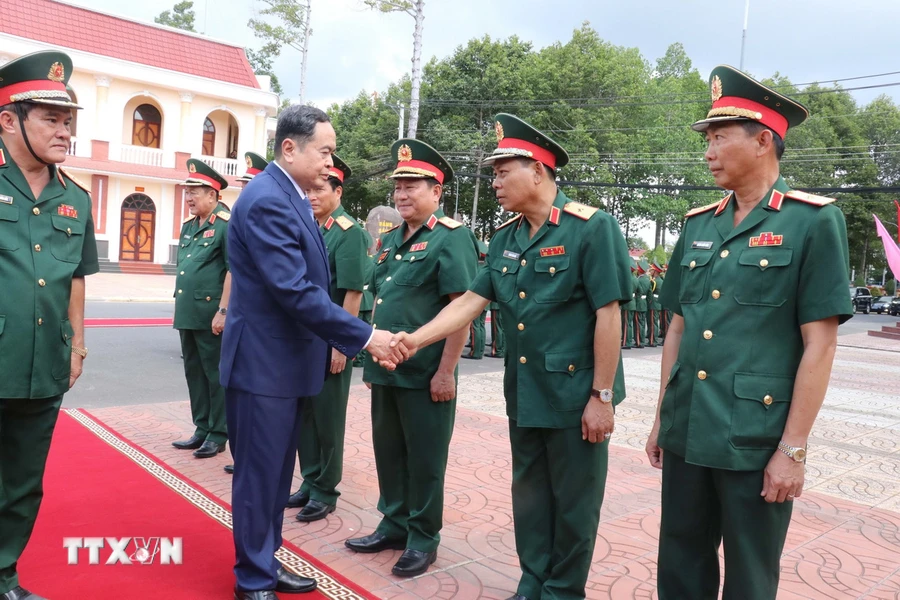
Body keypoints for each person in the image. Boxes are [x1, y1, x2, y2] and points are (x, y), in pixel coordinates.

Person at [388, 114, 632, 600]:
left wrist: (601, 396)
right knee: (530, 496)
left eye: (503, 171)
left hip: (574, 396)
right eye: (493, 173)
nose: (495, 182)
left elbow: (609, 315)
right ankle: (532, 580)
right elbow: (470, 302)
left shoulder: (592, 228)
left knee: (574, 503)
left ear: (538, 170)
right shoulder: (505, 237)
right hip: (526, 394)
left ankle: (562, 590)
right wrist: (415, 339)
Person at [644, 65, 853, 600]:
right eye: (707, 139)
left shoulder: (812, 221)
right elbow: (679, 327)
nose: (708, 151)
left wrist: (794, 449)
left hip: (756, 439)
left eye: (719, 138)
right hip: (689, 427)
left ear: (764, 141)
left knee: (750, 576)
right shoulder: (697, 224)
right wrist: (662, 417)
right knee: (681, 564)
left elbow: (820, 343)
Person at [219, 105, 403, 600]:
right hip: (263, 366)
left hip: (284, 365)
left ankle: (265, 558)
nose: (329, 161)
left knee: (277, 474)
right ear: (289, 148)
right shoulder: (268, 200)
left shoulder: (291, 196)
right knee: (260, 477)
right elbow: (295, 291)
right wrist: (367, 337)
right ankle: (253, 579)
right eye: (324, 150)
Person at [344, 139, 479, 578]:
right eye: (398, 187)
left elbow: (461, 311)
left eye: (413, 185)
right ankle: (394, 523)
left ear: (436, 191)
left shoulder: (451, 238)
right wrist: (371, 367)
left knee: (424, 459)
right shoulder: (389, 240)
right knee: (390, 453)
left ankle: (423, 538)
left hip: (426, 375)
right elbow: (384, 304)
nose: (402, 194)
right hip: (387, 371)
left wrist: (446, 371)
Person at [0, 50, 99, 600]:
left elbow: (78, 278)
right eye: (51, 119)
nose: (65, 132)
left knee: (22, 482)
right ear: (9, 120)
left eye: (69, 121)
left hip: (44, 359)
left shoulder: (75, 199)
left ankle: (4, 573)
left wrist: (77, 345)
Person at [286, 155, 369, 522]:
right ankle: (309, 480)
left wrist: (341, 344)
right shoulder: (309, 226)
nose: (313, 194)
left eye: (320, 188)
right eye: (309, 188)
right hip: (305, 339)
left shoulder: (349, 233)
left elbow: (352, 293)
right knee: (305, 415)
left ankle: (325, 489)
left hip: (331, 340)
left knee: (328, 418)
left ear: (338, 190)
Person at [170, 159, 232, 459]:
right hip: (188, 313)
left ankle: (218, 433)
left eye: (196, 191)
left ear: (213, 194)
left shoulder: (224, 225)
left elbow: (234, 271)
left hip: (211, 315)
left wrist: (223, 310)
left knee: (214, 374)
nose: (190, 197)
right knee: (194, 372)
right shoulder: (190, 225)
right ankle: (202, 427)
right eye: (188, 191)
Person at [225, 151, 270, 476]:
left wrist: (352, 339)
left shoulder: (271, 218)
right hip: (243, 334)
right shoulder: (245, 217)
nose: (246, 191)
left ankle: (320, 485)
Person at [464, 241, 490, 360]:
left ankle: (475, 352)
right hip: (485, 303)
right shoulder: (485, 267)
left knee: (475, 327)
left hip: (476, 301)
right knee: (480, 326)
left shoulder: (476, 267)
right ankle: (479, 350)